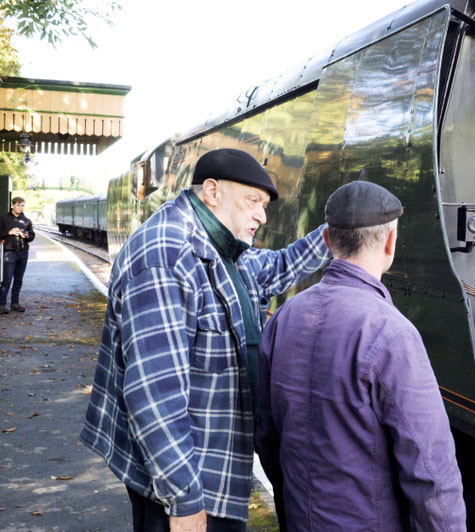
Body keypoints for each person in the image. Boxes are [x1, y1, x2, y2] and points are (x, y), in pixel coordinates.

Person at [81, 148, 330, 532]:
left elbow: (275, 269)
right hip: (182, 478)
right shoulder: (166, 256)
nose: (262, 216)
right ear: (212, 192)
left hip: (211, 462)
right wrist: (183, 502)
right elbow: (155, 395)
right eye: (253, 201)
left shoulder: (220, 246)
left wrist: (331, 235)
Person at [256, 180, 466, 531]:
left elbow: (267, 436)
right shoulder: (392, 333)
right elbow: (430, 472)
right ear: (390, 241)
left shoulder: (284, 318)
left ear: (326, 241)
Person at [0, 196, 35, 314]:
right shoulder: (4, 218)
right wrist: (8, 232)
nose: (20, 208)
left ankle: (15, 303)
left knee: (19, 279)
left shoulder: (27, 220)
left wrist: (26, 236)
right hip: (10, 252)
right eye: (18, 205)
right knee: (7, 279)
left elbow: (32, 236)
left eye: (22, 206)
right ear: (13, 205)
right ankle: (2, 304)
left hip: (23, 252)